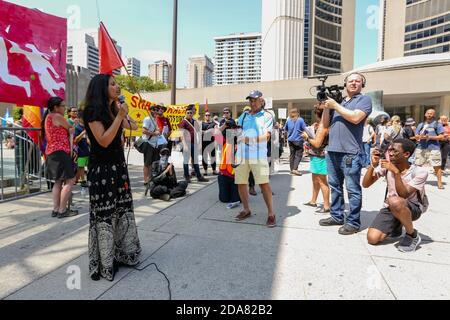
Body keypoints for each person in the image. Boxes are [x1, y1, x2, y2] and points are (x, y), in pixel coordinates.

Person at [83, 74, 141, 282]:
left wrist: (123, 112)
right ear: (101, 88)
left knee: (121, 209)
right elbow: (104, 140)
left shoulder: (114, 108)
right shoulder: (92, 111)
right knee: (105, 214)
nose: (117, 87)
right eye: (113, 84)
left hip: (118, 168)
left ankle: (122, 252)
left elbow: (133, 127)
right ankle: (105, 261)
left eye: (117, 84)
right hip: (102, 171)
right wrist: (118, 117)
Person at [320, 72, 373, 235]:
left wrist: (335, 105)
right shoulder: (340, 102)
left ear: (362, 84)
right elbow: (325, 124)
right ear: (345, 84)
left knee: (352, 189)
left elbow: (356, 118)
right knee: (335, 187)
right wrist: (327, 107)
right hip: (333, 151)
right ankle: (336, 216)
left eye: (358, 81)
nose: (354, 83)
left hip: (351, 152)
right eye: (351, 81)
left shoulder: (364, 100)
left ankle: (353, 222)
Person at [363, 139, 428, 253]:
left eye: (394, 151)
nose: (390, 153)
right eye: (389, 150)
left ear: (406, 154)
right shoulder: (387, 167)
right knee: (372, 238)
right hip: (392, 206)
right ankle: (397, 226)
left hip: (413, 208)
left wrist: (396, 172)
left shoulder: (419, 172)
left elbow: (404, 194)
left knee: (395, 201)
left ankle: (412, 235)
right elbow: (366, 184)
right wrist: (372, 165)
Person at [234, 90, 276, 228]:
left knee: (264, 184)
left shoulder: (267, 116)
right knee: (241, 183)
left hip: (259, 155)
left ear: (261, 101)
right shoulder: (244, 115)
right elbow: (237, 130)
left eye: (254, 100)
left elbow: (267, 136)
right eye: (250, 100)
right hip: (241, 155)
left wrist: (248, 139)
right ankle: (246, 209)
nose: (252, 103)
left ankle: (271, 214)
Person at [41, 97, 78, 219]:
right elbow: (70, 128)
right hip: (60, 152)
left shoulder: (48, 117)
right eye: (63, 106)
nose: (64, 108)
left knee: (58, 182)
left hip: (52, 152)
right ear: (56, 107)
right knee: (70, 180)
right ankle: (62, 210)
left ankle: (56, 209)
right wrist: (74, 125)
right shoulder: (57, 116)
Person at [302, 106, 330, 214]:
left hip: (320, 157)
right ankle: (313, 201)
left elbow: (317, 144)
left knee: (322, 181)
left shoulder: (323, 127)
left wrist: (307, 137)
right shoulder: (321, 125)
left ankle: (326, 206)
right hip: (316, 156)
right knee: (315, 179)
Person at [415, 109, 445, 189]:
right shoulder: (421, 125)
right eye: (428, 113)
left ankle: (439, 183)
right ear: (425, 114)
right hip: (421, 147)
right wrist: (419, 136)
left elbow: (442, 137)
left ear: (434, 115)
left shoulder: (437, 125)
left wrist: (430, 137)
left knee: (437, 166)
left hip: (434, 148)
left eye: (431, 114)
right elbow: (416, 136)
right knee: (418, 165)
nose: (429, 115)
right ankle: (417, 181)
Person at [178, 106, 209, 183]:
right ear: (186, 114)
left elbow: (198, 131)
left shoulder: (194, 122)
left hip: (194, 143)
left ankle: (199, 176)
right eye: (188, 113)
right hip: (187, 143)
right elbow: (181, 134)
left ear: (192, 114)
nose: (189, 114)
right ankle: (186, 176)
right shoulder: (183, 122)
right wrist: (184, 145)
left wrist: (205, 133)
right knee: (186, 161)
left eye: (191, 113)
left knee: (195, 161)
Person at [218, 139, 241, 209]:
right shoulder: (225, 142)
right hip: (224, 176)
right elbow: (216, 133)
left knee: (237, 200)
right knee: (224, 199)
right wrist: (224, 127)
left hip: (236, 177)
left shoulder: (243, 145)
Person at [142, 106, 162, 186]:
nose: (156, 111)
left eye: (157, 110)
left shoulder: (155, 120)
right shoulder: (147, 119)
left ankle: (150, 179)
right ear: (150, 110)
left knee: (152, 163)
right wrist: (154, 133)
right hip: (148, 143)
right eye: (154, 109)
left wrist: (158, 133)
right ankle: (146, 180)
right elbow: (144, 131)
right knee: (147, 163)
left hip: (154, 144)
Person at [284, 108, 306, 176]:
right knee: (298, 154)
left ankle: (291, 170)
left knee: (292, 155)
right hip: (298, 139)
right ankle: (295, 169)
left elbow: (285, 129)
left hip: (290, 140)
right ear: (297, 113)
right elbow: (305, 128)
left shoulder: (289, 120)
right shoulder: (300, 120)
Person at [74, 110, 90, 186]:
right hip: (81, 150)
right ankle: (83, 181)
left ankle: (88, 179)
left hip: (88, 149)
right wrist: (83, 133)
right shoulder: (77, 128)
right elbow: (75, 140)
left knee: (89, 165)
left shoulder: (88, 126)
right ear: (80, 118)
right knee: (81, 166)